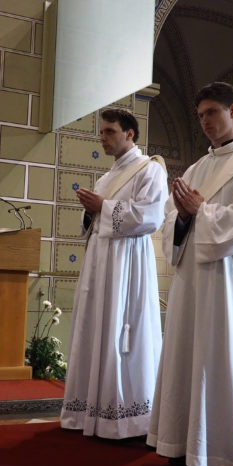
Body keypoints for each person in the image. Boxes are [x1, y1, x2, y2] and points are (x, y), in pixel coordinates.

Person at [146, 82, 233, 466]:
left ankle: (220, 457)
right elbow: (170, 223)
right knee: (186, 357)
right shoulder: (196, 169)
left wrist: (200, 210)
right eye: (200, 115)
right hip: (190, 282)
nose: (205, 122)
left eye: (212, 112)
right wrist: (184, 218)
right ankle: (182, 445)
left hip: (228, 282)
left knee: (221, 361)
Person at [60, 108, 168, 439]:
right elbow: (96, 221)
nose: (102, 138)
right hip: (100, 261)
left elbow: (150, 217)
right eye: (102, 132)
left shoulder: (149, 169)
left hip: (128, 262)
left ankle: (126, 418)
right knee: (96, 327)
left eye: (109, 131)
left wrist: (102, 207)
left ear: (129, 134)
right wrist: (91, 212)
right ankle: (90, 411)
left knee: (124, 329)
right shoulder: (106, 177)